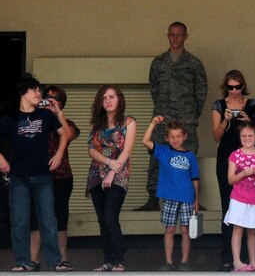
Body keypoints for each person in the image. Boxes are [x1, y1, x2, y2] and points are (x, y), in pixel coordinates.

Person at [0, 75, 71, 272]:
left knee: (48, 219)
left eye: (39, 90)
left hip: (43, 176)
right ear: (24, 93)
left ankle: (55, 261)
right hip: (19, 177)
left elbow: (64, 134)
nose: (39, 94)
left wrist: (58, 154)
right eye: (35, 90)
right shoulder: (10, 118)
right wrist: (1, 159)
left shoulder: (45, 115)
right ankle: (23, 261)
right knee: (20, 220)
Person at [141, 21, 207, 212]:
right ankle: (153, 198)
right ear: (167, 36)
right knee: (156, 156)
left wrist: (192, 113)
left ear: (186, 36)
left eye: (179, 35)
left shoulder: (194, 63)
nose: (175, 38)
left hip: (186, 118)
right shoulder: (158, 63)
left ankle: (193, 199)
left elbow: (201, 91)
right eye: (172, 34)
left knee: (189, 156)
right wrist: (163, 109)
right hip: (163, 118)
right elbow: (154, 88)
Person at [210, 70, 255, 271]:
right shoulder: (218, 105)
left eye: (238, 87)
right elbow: (216, 136)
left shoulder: (252, 104)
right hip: (227, 159)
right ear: (226, 87)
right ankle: (229, 257)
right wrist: (226, 120)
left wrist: (247, 118)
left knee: (249, 207)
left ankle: (248, 258)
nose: (234, 91)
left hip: (251, 160)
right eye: (231, 87)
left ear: (243, 86)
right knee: (229, 208)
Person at [28, 86, 79, 272]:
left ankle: (62, 259)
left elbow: (70, 134)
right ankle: (33, 260)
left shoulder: (66, 121)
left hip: (61, 176)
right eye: (47, 97)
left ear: (62, 102)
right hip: (36, 175)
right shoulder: (33, 119)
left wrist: (58, 113)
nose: (50, 100)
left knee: (60, 217)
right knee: (35, 218)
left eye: (55, 98)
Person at [86, 85, 136, 272]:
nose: (108, 100)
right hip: (96, 175)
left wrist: (113, 170)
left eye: (112, 97)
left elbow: (127, 150)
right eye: (104, 97)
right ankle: (107, 259)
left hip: (119, 174)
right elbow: (91, 150)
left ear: (119, 100)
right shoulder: (96, 124)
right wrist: (108, 161)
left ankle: (118, 259)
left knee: (110, 217)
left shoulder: (128, 122)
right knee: (101, 219)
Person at [141, 116, 200, 271]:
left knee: (186, 230)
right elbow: (145, 141)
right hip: (169, 197)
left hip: (187, 197)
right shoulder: (163, 151)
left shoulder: (190, 156)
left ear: (185, 136)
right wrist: (153, 123)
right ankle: (168, 262)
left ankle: (185, 262)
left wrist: (196, 200)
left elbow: (195, 179)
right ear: (167, 138)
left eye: (178, 136)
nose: (175, 139)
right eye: (172, 137)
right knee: (169, 229)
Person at [222, 121, 255, 273]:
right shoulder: (235, 155)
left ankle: (253, 262)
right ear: (239, 137)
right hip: (238, 197)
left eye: (250, 135)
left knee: (252, 231)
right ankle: (237, 262)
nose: (247, 138)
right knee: (238, 229)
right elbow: (230, 179)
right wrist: (242, 173)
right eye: (244, 136)